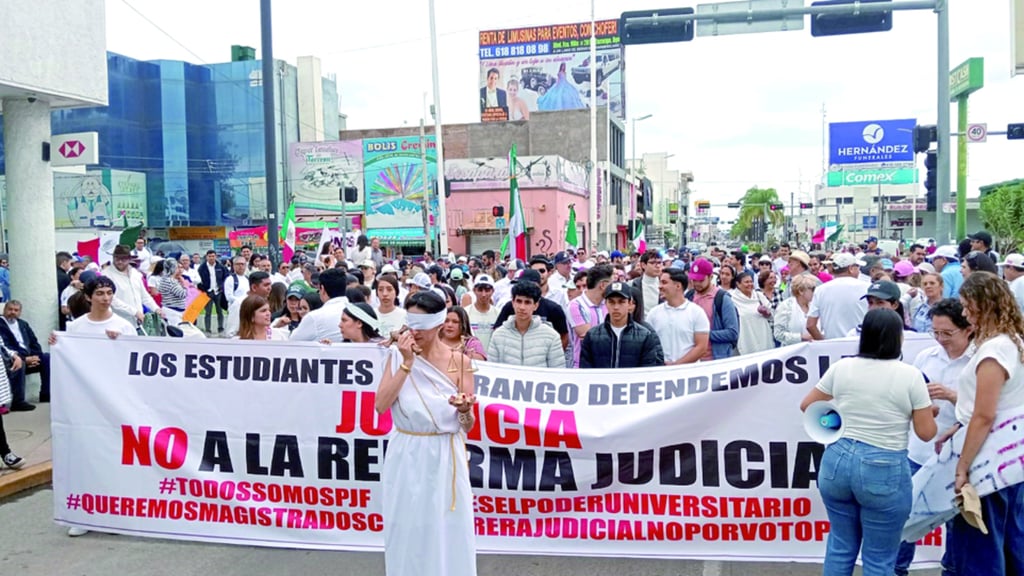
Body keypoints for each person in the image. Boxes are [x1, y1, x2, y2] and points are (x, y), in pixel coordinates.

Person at [800, 308, 937, 576]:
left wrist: (840, 423)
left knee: (840, 547)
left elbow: (808, 405)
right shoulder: (910, 375)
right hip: (884, 466)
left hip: (837, 459)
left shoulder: (842, 367)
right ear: (898, 338)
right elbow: (926, 433)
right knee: (879, 559)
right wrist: (927, 413)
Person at [374, 291, 477, 576]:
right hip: (407, 452)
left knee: (446, 527)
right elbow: (381, 405)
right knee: (407, 527)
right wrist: (407, 363)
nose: (414, 333)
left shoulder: (460, 362)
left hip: (446, 454)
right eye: (411, 325)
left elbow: (467, 424)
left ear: (439, 325)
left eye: (422, 326)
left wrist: (465, 410)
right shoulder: (396, 357)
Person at [942, 272, 1024, 575]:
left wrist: (962, 466)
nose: (963, 313)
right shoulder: (1010, 342)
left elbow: (985, 413)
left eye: (966, 306)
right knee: (1009, 541)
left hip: (988, 461)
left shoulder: (994, 350)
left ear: (982, 305)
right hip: (1008, 459)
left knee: (981, 548)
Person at [893, 299, 972, 576]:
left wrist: (951, 395)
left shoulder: (980, 360)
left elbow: (989, 409)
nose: (940, 339)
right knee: (905, 516)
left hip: (959, 455)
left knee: (957, 523)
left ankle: (950, 570)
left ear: (968, 329)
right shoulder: (926, 357)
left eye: (947, 333)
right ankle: (897, 569)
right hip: (919, 450)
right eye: (936, 332)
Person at [579, 283, 664, 368]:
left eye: (621, 302)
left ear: (630, 304)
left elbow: (648, 371)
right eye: (611, 302)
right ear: (606, 303)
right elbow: (586, 371)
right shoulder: (592, 335)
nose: (616, 307)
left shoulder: (645, 336)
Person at [487, 281, 564, 368]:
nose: (522, 307)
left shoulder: (551, 336)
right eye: (519, 301)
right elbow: (492, 369)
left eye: (527, 302)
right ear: (513, 303)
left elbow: (557, 373)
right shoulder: (498, 335)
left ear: (535, 305)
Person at [647, 268, 709, 365]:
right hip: (660, 372)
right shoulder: (653, 314)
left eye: (664, 282)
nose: (660, 287)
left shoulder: (697, 313)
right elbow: (648, 345)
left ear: (678, 286)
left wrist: (676, 366)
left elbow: (701, 347)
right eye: (660, 283)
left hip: (688, 374)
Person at [686, 258, 739, 360]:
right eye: (694, 280)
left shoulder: (722, 299)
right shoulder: (689, 296)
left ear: (710, 277)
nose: (697, 283)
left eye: (701, 280)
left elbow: (732, 333)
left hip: (716, 360)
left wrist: (703, 334)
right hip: (692, 360)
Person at [0, 300, 49, 409]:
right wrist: (25, 359)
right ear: (4, 310)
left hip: (29, 356)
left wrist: (35, 357)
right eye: (10, 309)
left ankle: (46, 394)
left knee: (47, 358)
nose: (13, 312)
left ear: (20, 312)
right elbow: (5, 347)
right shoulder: (1, 324)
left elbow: (34, 342)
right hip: (11, 358)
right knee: (19, 362)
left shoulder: (23, 324)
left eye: (16, 310)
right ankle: (18, 402)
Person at [807, 253, 868, 340]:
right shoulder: (867, 287)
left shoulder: (821, 290)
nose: (859, 270)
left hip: (832, 347)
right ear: (850, 268)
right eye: (857, 267)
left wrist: (824, 343)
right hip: (860, 345)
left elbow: (810, 325)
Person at [107, 245, 163, 328]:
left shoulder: (136, 274)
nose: (120, 262)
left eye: (123, 259)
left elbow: (144, 296)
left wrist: (156, 309)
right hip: (118, 322)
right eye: (117, 258)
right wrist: (135, 312)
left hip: (138, 322)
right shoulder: (107, 275)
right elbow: (112, 300)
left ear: (129, 259)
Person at [568, 265, 612, 368]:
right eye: (611, 283)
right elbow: (588, 337)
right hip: (583, 365)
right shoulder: (576, 305)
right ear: (603, 285)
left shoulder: (608, 303)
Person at [729, 271, 775, 354]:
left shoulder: (758, 295)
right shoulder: (732, 299)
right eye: (746, 282)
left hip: (763, 337)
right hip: (745, 338)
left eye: (751, 281)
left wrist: (766, 313)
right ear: (738, 284)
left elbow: (773, 315)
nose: (750, 284)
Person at [224, 272, 272, 338]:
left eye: (270, 285)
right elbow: (231, 334)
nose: (270, 288)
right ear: (254, 287)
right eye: (266, 285)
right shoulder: (239, 304)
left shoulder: (266, 303)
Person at [774, 274, 817, 346]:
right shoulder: (786, 306)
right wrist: (801, 337)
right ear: (801, 291)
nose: (815, 292)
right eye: (812, 289)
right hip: (793, 352)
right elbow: (778, 334)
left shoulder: (815, 305)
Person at [197, 250, 228, 333]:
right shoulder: (202, 268)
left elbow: (226, 278)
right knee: (208, 312)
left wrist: (222, 287)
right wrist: (204, 289)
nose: (211, 258)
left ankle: (220, 327)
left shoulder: (221, 267)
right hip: (208, 292)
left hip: (218, 291)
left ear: (216, 257)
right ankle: (208, 329)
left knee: (219, 311)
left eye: (213, 256)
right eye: (209, 256)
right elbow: (198, 280)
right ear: (206, 257)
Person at [630, 249, 663, 322]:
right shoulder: (632, 284)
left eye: (659, 262)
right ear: (643, 265)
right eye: (652, 263)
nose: (657, 266)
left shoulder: (666, 285)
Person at [155, 258, 189, 326]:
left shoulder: (163, 279)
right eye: (176, 268)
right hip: (173, 312)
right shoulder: (171, 281)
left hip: (170, 310)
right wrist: (185, 285)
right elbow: (182, 294)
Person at [374, 276, 407, 340]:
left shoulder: (405, 315)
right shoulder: (370, 314)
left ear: (396, 292)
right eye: (380, 290)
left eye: (389, 289)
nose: (385, 294)